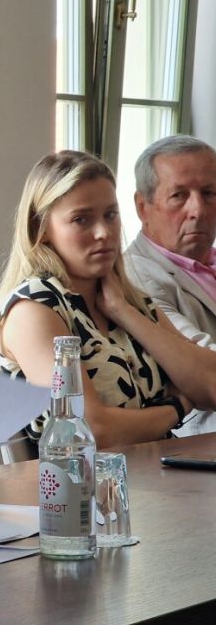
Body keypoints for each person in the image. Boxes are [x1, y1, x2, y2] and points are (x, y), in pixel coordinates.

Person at [0, 150, 216, 449]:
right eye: (81, 219)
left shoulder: (129, 300)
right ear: (40, 229)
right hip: (84, 477)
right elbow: (90, 430)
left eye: (110, 215)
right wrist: (178, 406)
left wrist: (123, 311)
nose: (103, 233)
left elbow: (211, 385)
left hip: (162, 470)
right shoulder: (34, 308)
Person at [124, 135, 216, 435]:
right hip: (197, 442)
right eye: (179, 195)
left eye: (209, 193)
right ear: (142, 207)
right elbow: (206, 364)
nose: (198, 210)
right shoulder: (134, 278)